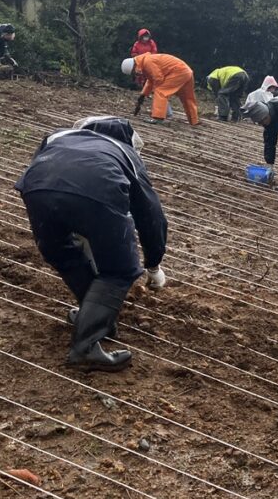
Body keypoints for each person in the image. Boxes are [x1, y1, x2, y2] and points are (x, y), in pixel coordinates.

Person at [14, 116, 167, 372]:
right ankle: (85, 348)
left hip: (35, 188)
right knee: (119, 270)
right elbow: (150, 214)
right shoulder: (124, 152)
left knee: (65, 255)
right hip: (97, 189)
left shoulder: (59, 136)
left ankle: (95, 318)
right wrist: (153, 264)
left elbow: (55, 176)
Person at [122, 53, 200, 126]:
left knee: (160, 91)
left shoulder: (147, 62)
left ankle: (158, 117)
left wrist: (154, 92)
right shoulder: (146, 61)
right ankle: (193, 120)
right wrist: (143, 94)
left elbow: (158, 79)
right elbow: (151, 80)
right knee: (187, 97)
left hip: (178, 72)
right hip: (186, 72)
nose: (136, 74)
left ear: (133, 66)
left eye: (133, 72)